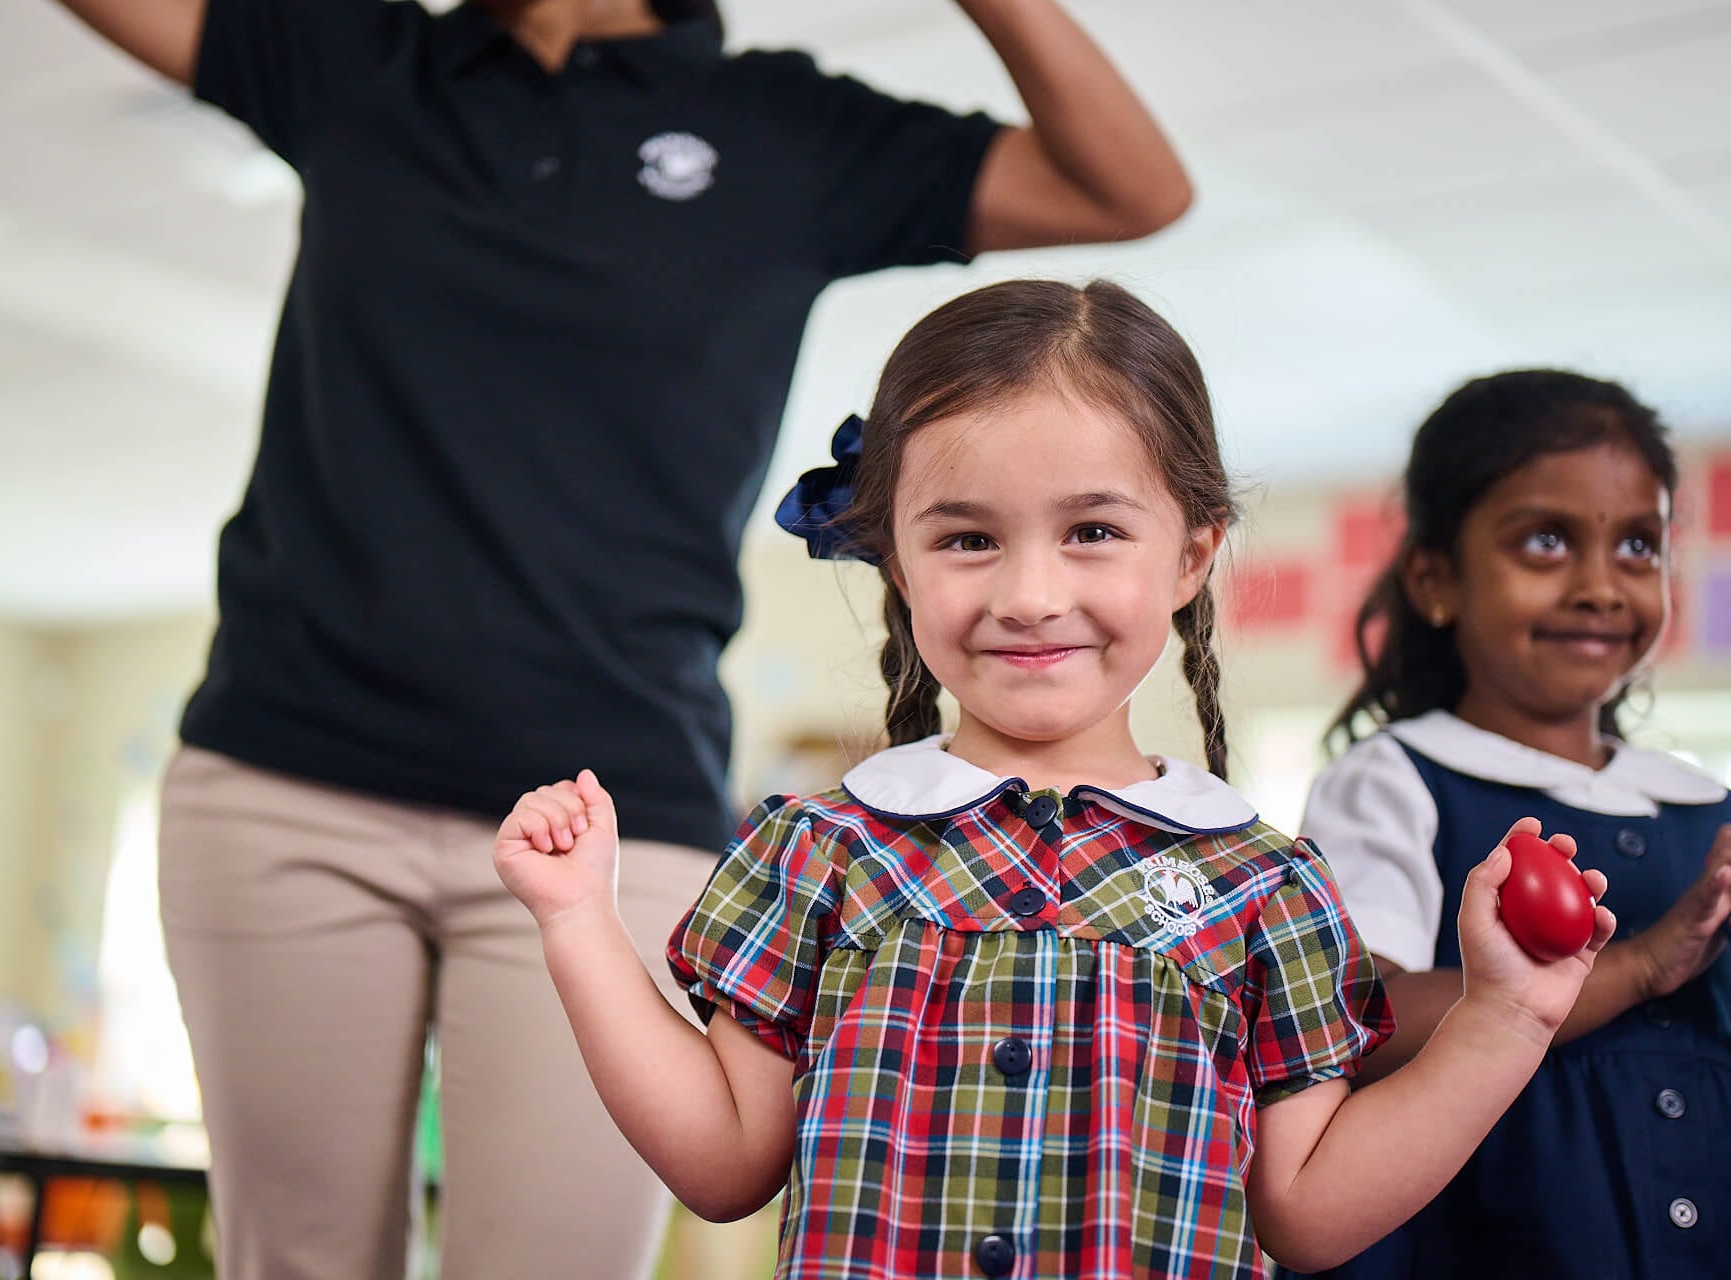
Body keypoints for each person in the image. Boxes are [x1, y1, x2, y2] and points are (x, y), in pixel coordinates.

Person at [44, 1, 1194, 1276]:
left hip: (612, 807)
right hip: (286, 782)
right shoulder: (361, 62)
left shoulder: (786, 127)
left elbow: (1132, 185)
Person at [494, 279, 1618, 1280]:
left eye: (1090, 529)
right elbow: (724, 1162)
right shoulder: (818, 849)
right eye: (968, 539)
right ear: (896, 555)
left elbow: (1312, 1215)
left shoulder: (1267, 884)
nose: (1030, 593)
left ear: (1189, 552)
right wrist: (577, 921)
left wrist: (1503, 1017)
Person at [1281, 371, 1731, 1280]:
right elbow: (1357, 1022)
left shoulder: (1700, 802)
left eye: (1639, 545)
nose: (1602, 586)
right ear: (1436, 579)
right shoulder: (1395, 780)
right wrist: (1640, 968)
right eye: (1548, 541)